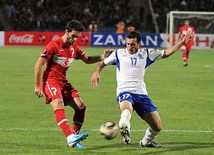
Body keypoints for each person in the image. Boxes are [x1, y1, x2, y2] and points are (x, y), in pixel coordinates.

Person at [90, 31, 192, 147]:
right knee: (126, 110)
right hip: (124, 90)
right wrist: (96, 72)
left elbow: (166, 53)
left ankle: (145, 142)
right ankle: (125, 127)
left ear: (139, 44)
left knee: (157, 126)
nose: (129, 47)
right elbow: (101, 64)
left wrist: (182, 42)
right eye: (128, 44)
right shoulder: (119, 53)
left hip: (141, 93)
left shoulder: (147, 53)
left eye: (132, 44)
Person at [34, 19, 113, 148]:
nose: (75, 39)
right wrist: (37, 86)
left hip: (63, 82)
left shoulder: (73, 48)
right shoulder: (53, 45)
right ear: (67, 31)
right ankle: (70, 137)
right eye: (74, 36)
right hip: (50, 81)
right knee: (58, 104)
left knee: (81, 107)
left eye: (78, 37)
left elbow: (87, 60)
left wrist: (102, 57)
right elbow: (38, 64)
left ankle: (74, 137)